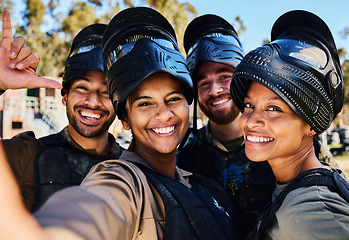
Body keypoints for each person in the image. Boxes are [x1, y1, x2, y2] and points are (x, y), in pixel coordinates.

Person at [0, 7, 241, 240]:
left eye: (173, 99)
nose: (164, 113)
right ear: (125, 118)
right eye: (145, 103)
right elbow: (93, 210)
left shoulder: (202, 181)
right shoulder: (122, 178)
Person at [230, 10, 349, 239]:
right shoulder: (291, 187)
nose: (251, 121)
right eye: (248, 105)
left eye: (274, 109)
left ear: (311, 125)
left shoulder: (312, 210)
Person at [0, 11, 123, 212]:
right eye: (82, 88)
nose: (93, 101)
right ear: (64, 96)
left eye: (106, 92)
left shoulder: (135, 167)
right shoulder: (26, 155)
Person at [177, 14, 276, 235]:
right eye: (203, 82)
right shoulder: (184, 158)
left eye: (224, 76)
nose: (215, 90)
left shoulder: (281, 141)